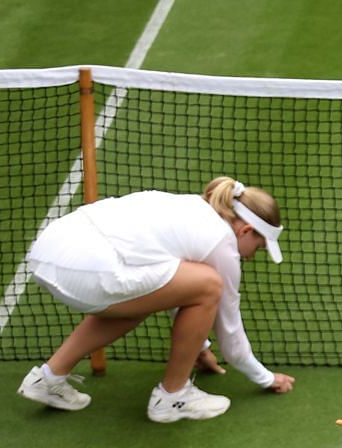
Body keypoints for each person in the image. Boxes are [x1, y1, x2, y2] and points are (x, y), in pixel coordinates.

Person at [18, 176, 296, 423]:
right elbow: (231, 335)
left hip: (52, 250)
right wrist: (266, 378)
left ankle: (48, 378)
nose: (250, 256)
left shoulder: (195, 209)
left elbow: (170, 287)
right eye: (258, 248)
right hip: (88, 267)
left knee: (142, 298)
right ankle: (172, 397)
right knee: (210, 285)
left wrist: (199, 347)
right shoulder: (222, 245)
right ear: (245, 230)